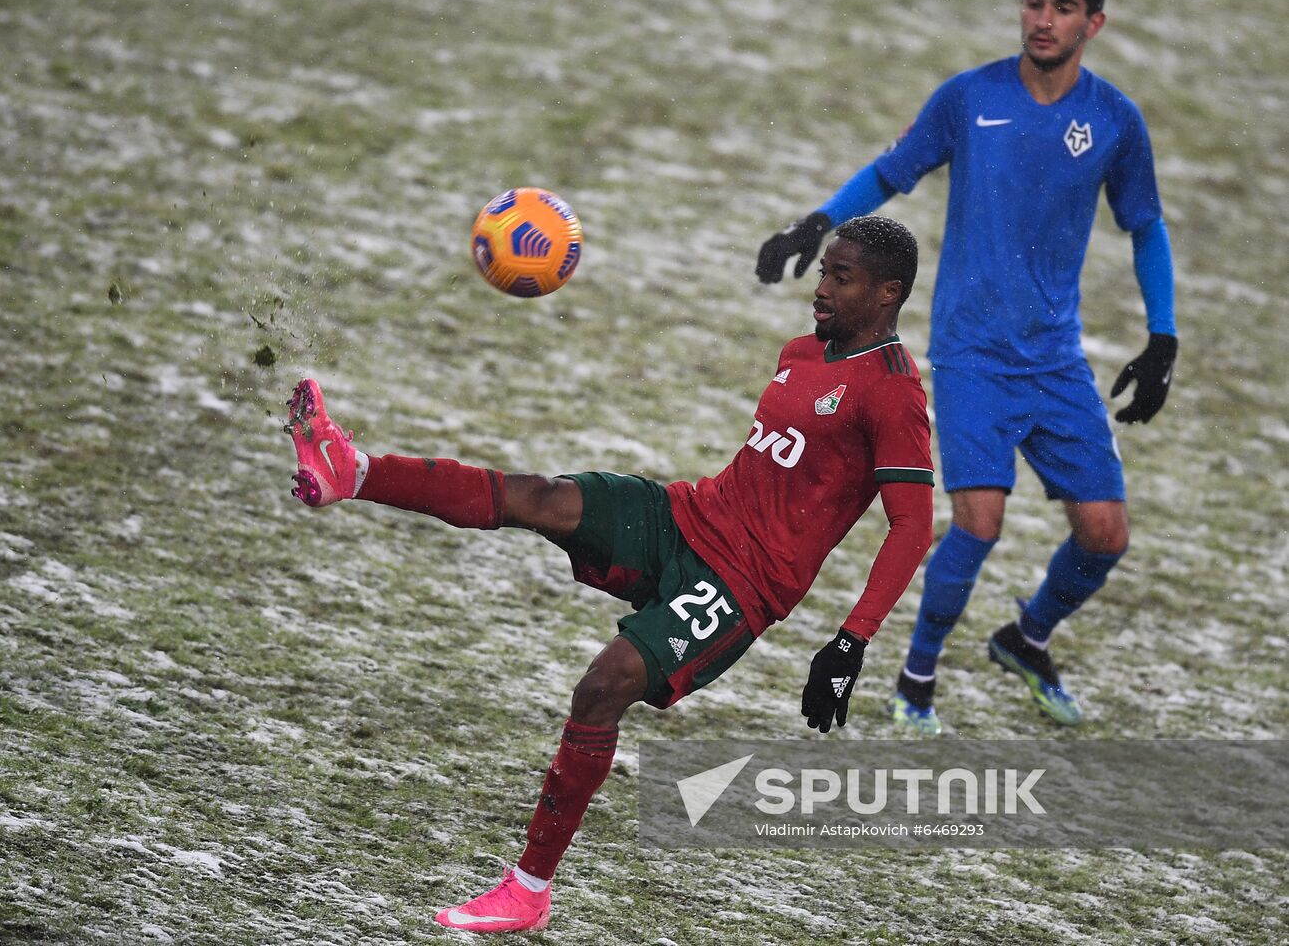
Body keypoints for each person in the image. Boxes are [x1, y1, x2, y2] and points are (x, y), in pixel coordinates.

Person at [285, 216, 933, 933]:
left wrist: (851, 642)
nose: (821, 290)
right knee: (543, 496)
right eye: (823, 272)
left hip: (743, 584)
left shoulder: (894, 396)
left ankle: (528, 889)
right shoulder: (803, 351)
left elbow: (912, 525)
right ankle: (355, 471)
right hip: (689, 516)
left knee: (603, 687)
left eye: (840, 278)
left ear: (887, 292)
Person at [756, 0, 1177, 735]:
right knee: (979, 520)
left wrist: (1163, 338)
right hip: (971, 355)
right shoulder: (969, 97)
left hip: (1054, 357)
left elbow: (1145, 226)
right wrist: (816, 223)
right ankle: (916, 680)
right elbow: (892, 172)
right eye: (1033, 3)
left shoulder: (1114, 121)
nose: (1043, 20)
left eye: (1061, 7)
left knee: (1105, 535)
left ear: (1094, 22)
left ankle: (1028, 637)